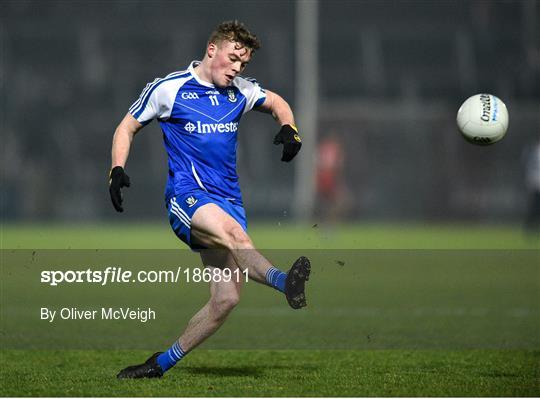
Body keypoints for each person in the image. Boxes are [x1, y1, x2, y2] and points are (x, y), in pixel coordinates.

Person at [109, 21, 310, 379]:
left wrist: (288, 128)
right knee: (236, 236)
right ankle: (285, 282)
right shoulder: (169, 89)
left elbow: (277, 102)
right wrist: (116, 169)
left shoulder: (240, 91)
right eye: (233, 59)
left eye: (243, 64)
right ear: (212, 50)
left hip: (228, 201)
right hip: (187, 199)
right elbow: (126, 126)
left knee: (226, 300)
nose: (237, 69)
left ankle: (160, 364)